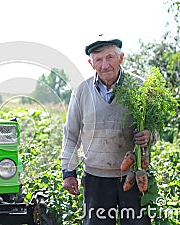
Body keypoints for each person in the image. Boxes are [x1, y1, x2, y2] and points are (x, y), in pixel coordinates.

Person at [60, 34, 156, 225]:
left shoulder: (139, 87)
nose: (105, 65)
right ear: (91, 63)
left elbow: (154, 129)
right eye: (98, 60)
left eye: (110, 57)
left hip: (134, 175)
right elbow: (71, 135)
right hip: (96, 178)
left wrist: (150, 136)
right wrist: (68, 172)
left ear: (121, 58)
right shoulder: (82, 91)